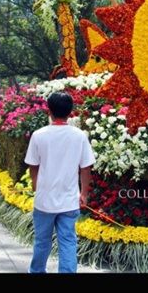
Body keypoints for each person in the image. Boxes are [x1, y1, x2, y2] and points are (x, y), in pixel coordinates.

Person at [25, 92, 95, 273]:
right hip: (69, 200)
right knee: (68, 242)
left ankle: (37, 272)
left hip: (44, 201)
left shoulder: (39, 135)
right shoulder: (79, 135)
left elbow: (33, 165)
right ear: (71, 112)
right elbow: (86, 168)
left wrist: (35, 185)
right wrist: (84, 194)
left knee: (42, 241)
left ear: (49, 110)